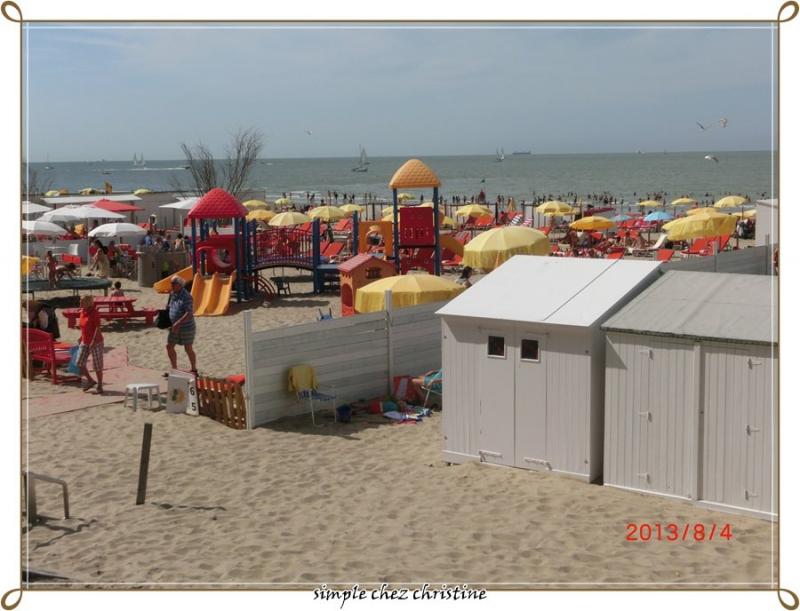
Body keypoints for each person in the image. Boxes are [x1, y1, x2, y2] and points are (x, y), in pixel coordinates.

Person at [165, 275, 197, 376]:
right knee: (169, 346)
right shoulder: (173, 294)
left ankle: (194, 369)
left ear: (179, 285)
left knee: (188, 348)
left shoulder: (187, 296)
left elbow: (189, 313)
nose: (171, 286)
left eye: (173, 284)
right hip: (174, 326)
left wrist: (178, 323)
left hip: (186, 327)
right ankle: (174, 369)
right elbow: (169, 306)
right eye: (171, 284)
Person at [76, 295, 104, 394]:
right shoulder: (82, 312)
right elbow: (83, 326)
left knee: (97, 365)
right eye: (80, 301)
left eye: (82, 302)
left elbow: (97, 328)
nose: (80, 303)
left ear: (88, 303)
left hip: (96, 342)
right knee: (79, 362)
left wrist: (93, 340)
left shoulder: (95, 313)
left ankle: (100, 385)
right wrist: (81, 337)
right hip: (84, 340)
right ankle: (91, 380)